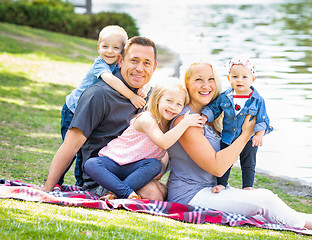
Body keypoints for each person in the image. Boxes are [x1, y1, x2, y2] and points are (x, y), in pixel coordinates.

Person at [166, 61, 312, 234]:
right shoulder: (186, 121)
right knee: (264, 199)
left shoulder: (207, 118)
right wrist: (246, 134)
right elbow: (217, 167)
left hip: (212, 190)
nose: (206, 85)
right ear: (187, 84)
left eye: (211, 79)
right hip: (191, 196)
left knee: (266, 204)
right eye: (198, 80)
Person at [39, 36, 166, 201]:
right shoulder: (98, 95)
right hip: (99, 176)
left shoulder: (152, 97)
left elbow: (166, 137)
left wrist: (161, 166)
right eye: (134, 60)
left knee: (161, 192)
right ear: (120, 61)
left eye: (146, 63)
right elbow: (70, 145)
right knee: (153, 194)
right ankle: (115, 195)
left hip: (135, 171)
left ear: (154, 67)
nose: (140, 68)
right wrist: (47, 190)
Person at [84, 79, 203, 200]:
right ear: (157, 99)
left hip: (135, 169)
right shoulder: (146, 119)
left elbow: (165, 151)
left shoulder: (170, 127)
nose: (173, 107)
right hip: (114, 163)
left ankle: (115, 194)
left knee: (155, 165)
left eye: (179, 104)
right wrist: (185, 123)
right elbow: (163, 143)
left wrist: (163, 164)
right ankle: (125, 193)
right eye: (169, 101)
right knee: (91, 164)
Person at [59, 25, 147, 187]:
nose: (109, 51)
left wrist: (141, 88)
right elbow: (111, 80)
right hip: (73, 109)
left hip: (90, 111)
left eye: (115, 48)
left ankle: (81, 183)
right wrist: (132, 96)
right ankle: (59, 181)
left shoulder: (117, 64)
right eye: (105, 46)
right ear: (98, 47)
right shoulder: (101, 64)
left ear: (123, 52)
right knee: (72, 148)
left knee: (83, 150)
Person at [201, 55, 273, 192]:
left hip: (249, 139)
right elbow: (215, 108)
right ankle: (222, 183)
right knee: (225, 161)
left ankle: (247, 186)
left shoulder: (257, 100)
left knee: (248, 163)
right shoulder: (225, 96)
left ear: (253, 79)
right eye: (235, 77)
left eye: (244, 77)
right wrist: (205, 116)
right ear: (229, 78)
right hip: (228, 136)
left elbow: (263, 118)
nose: (239, 80)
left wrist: (259, 135)